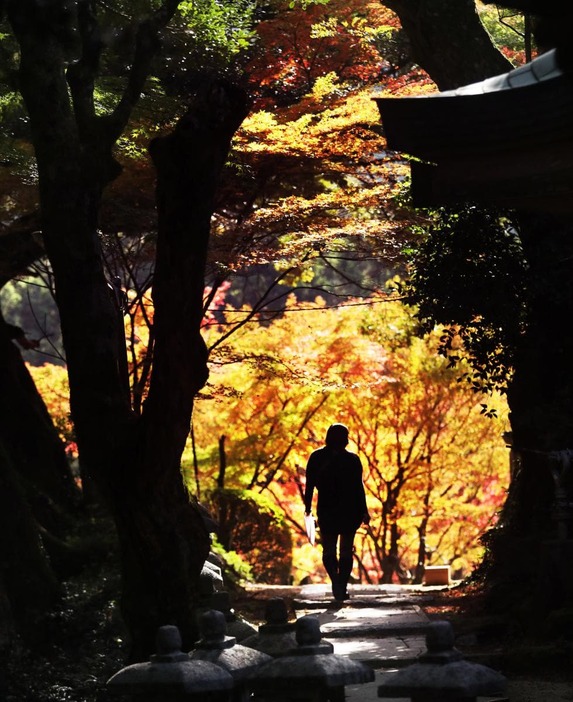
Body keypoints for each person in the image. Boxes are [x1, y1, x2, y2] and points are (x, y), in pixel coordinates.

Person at [304, 423, 370, 601]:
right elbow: (358, 488)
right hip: (348, 510)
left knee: (331, 550)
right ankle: (339, 583)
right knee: (344, 551)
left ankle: (337, 583)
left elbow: (310, 485)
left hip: (330, 509)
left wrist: (307, 507)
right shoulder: (352, 460)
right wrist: (364, 511)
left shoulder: (317, 457)